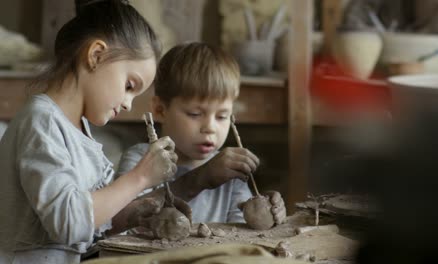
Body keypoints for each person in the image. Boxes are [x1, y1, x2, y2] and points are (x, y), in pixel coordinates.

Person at [0, 1, 188, 263]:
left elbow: (90, 222)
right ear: (96, 55)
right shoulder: (41, 121)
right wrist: (140, 177)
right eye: (129, 85)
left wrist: (136, 213)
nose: (128, 103)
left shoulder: (79, 130)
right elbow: (68, 224)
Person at [117, 42, 286, 224]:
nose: (210, 127)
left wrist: (265, 214)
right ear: (160, 110)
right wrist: (199, 179)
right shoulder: (141, 161)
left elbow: (242, 234)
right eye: (195, 114)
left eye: (222, 116)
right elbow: (118, 223)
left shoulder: (230, 171)